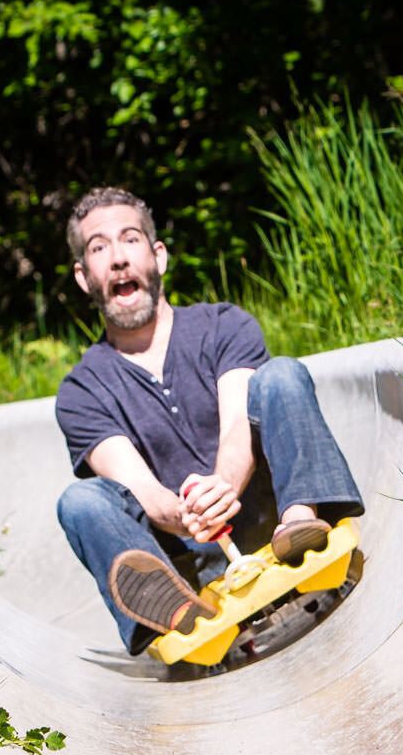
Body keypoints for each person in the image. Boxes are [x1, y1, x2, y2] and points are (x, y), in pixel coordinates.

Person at [54, 187, 364, 656]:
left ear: (158, 256)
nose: (117, 258)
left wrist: (221, 485)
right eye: (99, 248)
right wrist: (184, 514)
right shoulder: (80, 392)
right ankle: (174, 608)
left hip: (267, 515)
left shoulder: (225, 326)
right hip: (192, 560)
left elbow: (239, 420)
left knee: (280, 375)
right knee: (79, 501)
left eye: (130, 240)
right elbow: (139, 486)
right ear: (83, 276)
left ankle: (301, 522)